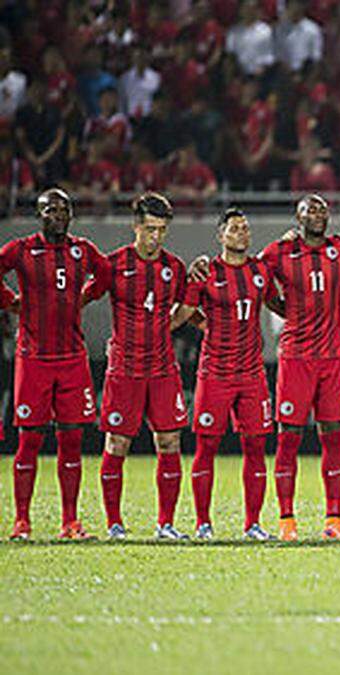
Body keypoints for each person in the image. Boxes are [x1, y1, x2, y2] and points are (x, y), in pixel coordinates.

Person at [194, 194, 340, 540]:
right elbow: (243, 272)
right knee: (288, 438)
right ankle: (286, 520)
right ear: (297, 217)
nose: (318, 214)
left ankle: (334, 519)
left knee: (333, 437)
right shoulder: (278, 253)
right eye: (310, 209)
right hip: (295, 358)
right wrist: (205, 264)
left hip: (333, 356)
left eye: (322, 209)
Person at [0, 189, 109, 540]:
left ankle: (70, 522)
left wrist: (86, 296)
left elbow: (105, 276)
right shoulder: (22, 249)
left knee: (72, 440)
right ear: (39, 215)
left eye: (64, 209)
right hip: (33, 358)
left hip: (73, 359)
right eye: (51, 210)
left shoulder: (83, 250)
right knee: (28, 440)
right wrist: (10, 302)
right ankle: (21, 521)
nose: (58, 215)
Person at [170, 208, 284, 540]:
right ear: (220, 236)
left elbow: (278, 304)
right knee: (206, 447)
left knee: (256, 448)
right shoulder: (207, 272)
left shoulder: (261, 271)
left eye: (245, 228)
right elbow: (186, 311)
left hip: (252, 375)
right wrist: (157, 330)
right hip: (215, 374)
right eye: (234, 229)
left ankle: (253, 524)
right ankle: (203, 523)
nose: (241, 233)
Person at [84, 193, 189, 540]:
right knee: (117, 445)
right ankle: (114, 523)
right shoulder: (114, 265)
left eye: (161, 229)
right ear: (135, 226)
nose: (155, 237)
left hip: (162, 369)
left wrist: (166, 325)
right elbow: (83, 297)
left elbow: (188, 306)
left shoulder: (174, 268)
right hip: (124, 370)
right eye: (149, 229)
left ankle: (166, 524)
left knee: (170, 442)